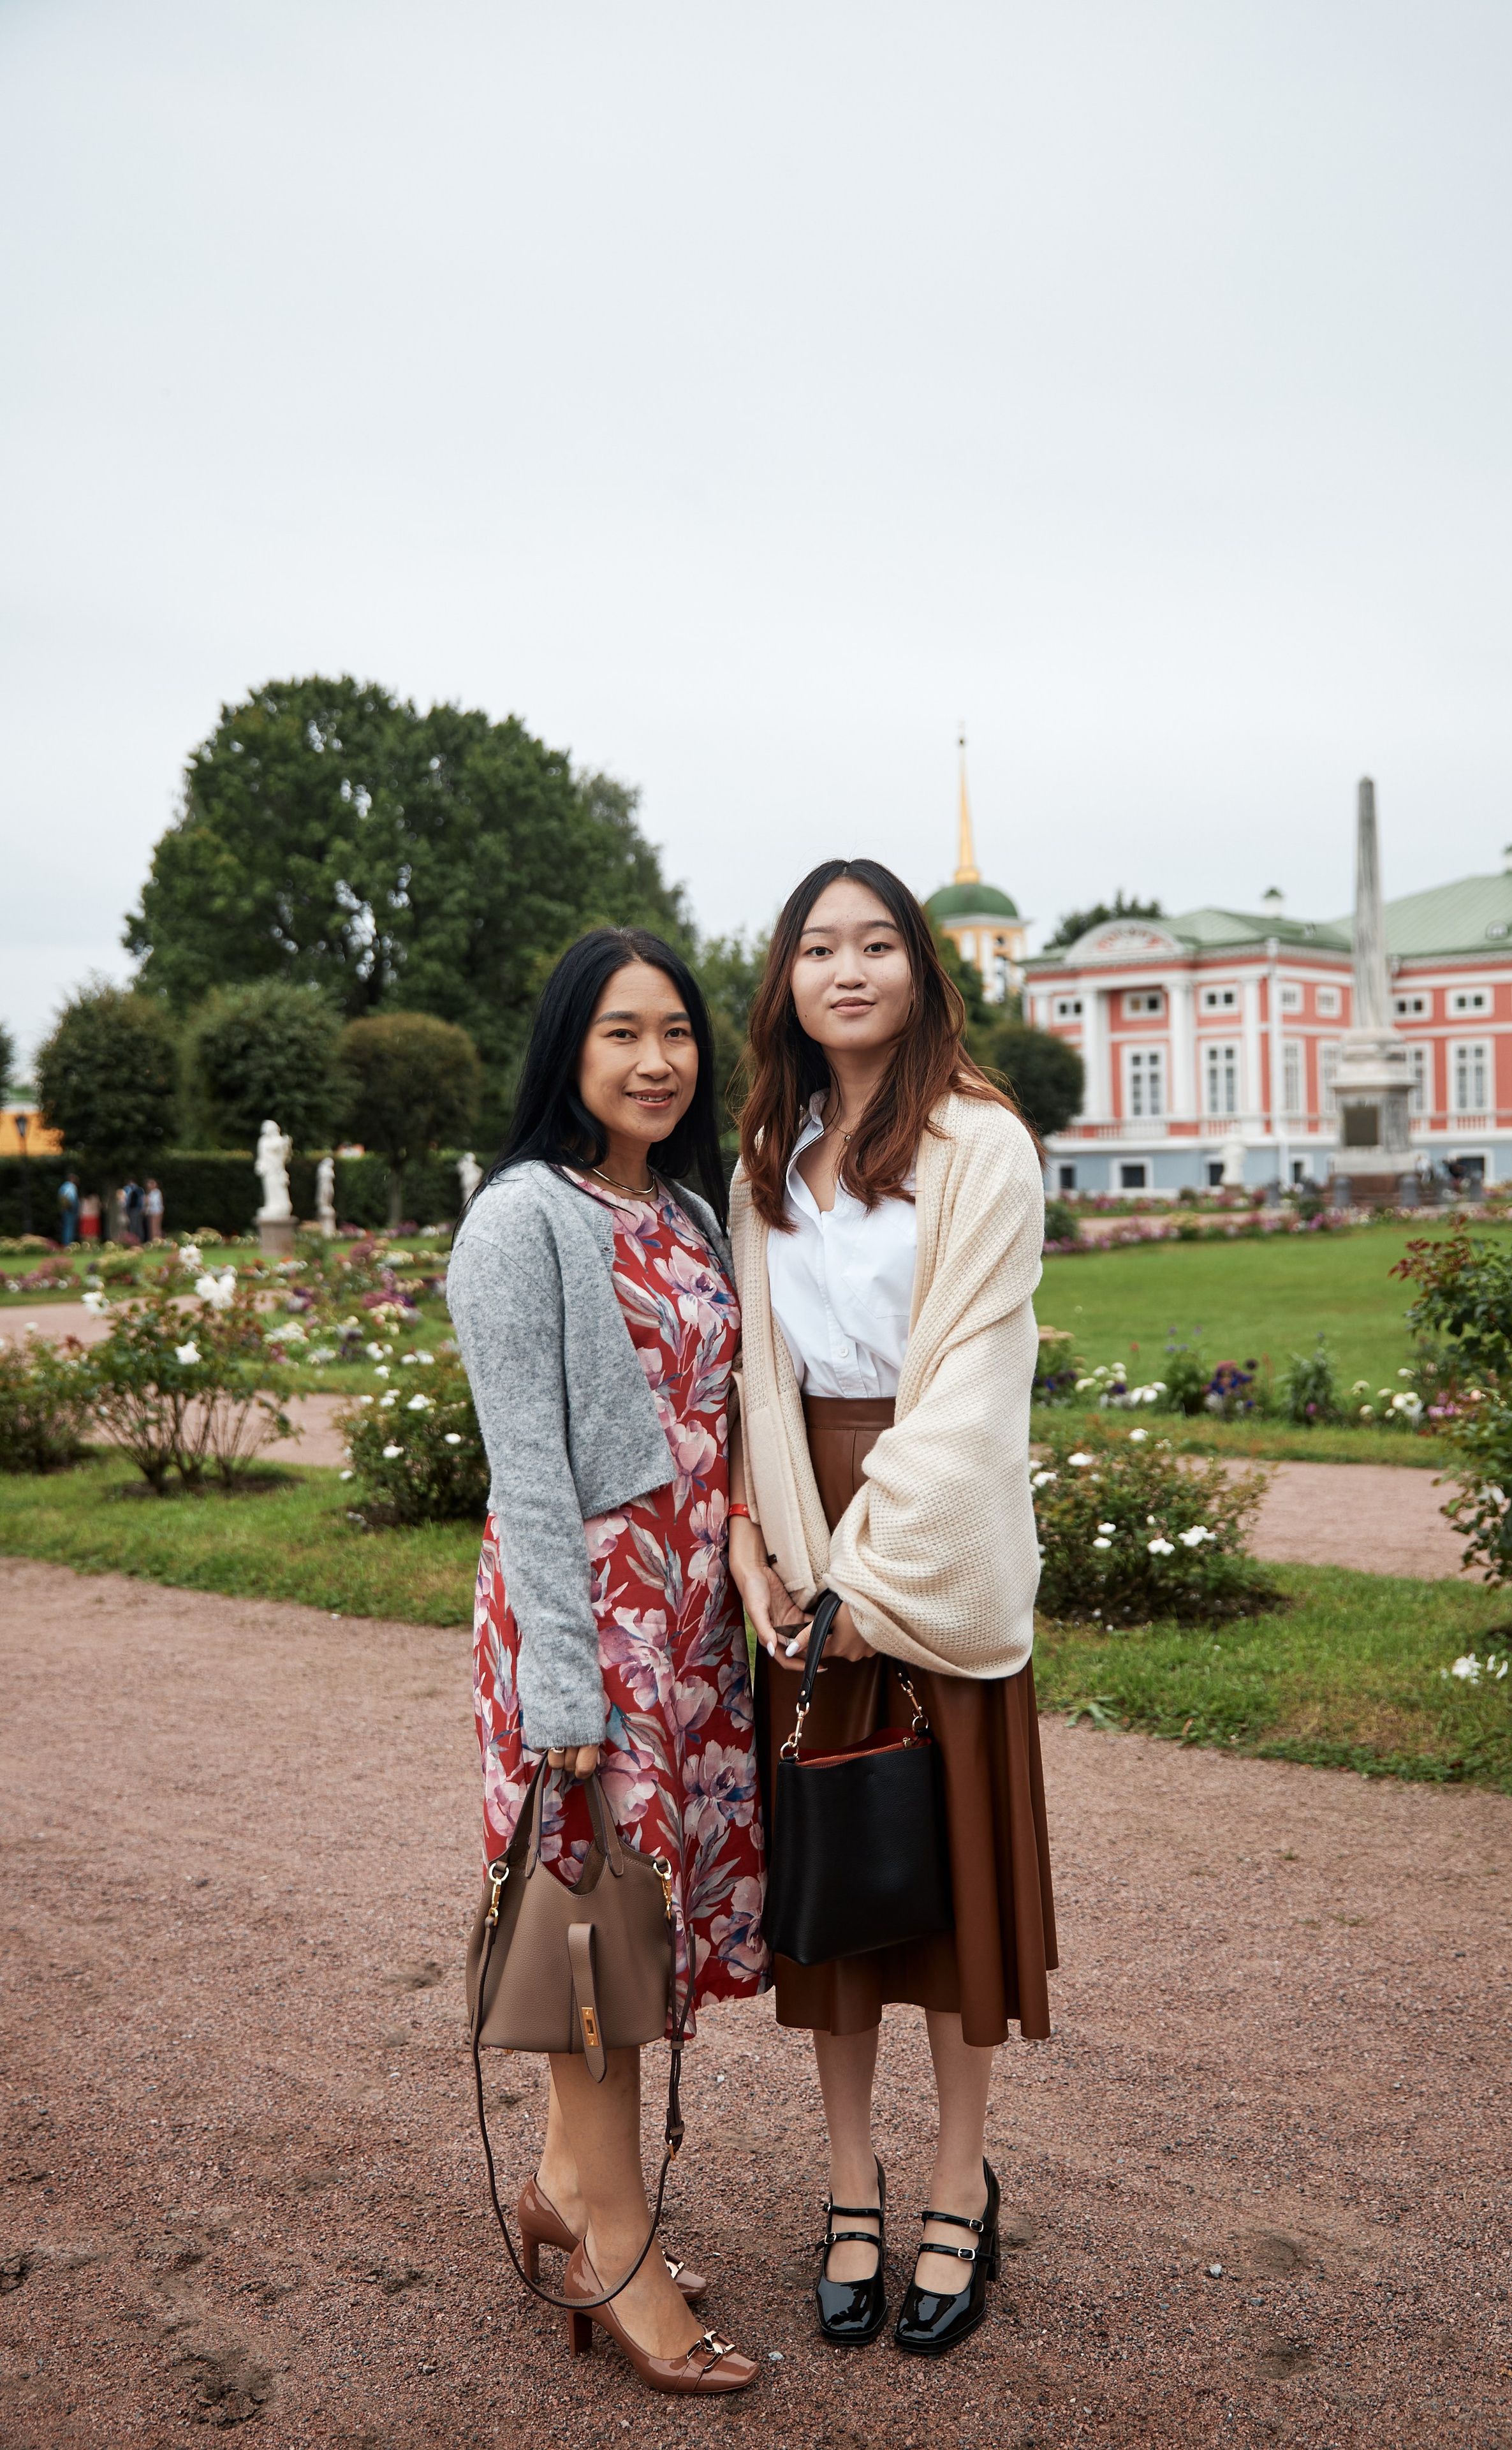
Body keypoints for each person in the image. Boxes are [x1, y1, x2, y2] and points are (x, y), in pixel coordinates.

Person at [727, 857, 1056, 2360]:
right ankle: (849, 2181)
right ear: (784, 978)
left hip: (927, 1537)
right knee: (836, 1897)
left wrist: (869, 1579)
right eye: (816, 945)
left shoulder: (979, 1142)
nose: (844, 968)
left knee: (949, 1894)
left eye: (874, 943)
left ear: (918, 968)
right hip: (803, 1535)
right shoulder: (763, 1154)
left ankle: (952, 2180)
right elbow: (753, 1378)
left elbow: (972, 1383)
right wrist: (774, 1552)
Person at [446, 927, 763, 2401]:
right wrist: (564, 1692)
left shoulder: (690, 1212)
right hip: (582, 1627)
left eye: (677, 1031)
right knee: (593, 1942)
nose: (654, 1058)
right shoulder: (524, 1217)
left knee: (642, 1935)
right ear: (567, 1048)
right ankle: (618, 2247)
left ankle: (570, 2196)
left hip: (687, 1634)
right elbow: (527, 1477)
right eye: (621, 1031)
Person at [57, 1173, 79, 1246]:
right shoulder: (72, 1187)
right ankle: (69, 1245)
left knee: (65, 1227)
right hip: (71, 1210)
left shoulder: (63, 1187)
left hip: (64, 1209)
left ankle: (65, 1244)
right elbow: (72, 1198)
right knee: (70, 1228)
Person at [143, 1178, 164, 1244]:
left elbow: (155, 1202)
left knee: (155, 1228)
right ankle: (154, 1241)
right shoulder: (151, 1193)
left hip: (157, 1212)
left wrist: (147, 1200)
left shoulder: (157, 1192)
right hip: (152, 1212)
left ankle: (157, 1241)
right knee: (152, 1228)